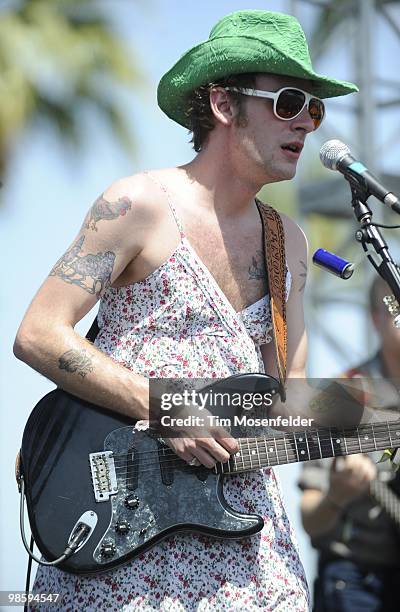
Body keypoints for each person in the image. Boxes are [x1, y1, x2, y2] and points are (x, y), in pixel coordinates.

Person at [14, 9, 357, 611]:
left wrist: (364, 417)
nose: (305, 122)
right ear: (224, 105)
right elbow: (39, 333)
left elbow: (290, 398)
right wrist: (170, 408)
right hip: (128, 539)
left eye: (314, 109)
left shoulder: (291, 244)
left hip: (248, 546)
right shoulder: (137, 204)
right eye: (288, 102)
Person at [299, 275, 400, 612]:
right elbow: (310, 519)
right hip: (356, 579)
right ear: (375, 318)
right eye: (394, 307)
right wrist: (337, 496)